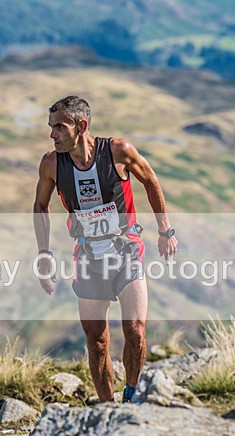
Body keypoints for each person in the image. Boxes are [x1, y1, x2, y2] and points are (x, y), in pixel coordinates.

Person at [33, 95, 178, 403]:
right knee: (97, 341)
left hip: (127, 252)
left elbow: (150, 180)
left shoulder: (118, 151)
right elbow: (40, 206)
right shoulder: (51, 164)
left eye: (59, 127)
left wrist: (165, 231)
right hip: (87, 258)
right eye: (51, 127)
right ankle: (106, 408)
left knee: (136, 330)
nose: (52, 134)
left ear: (81, 125)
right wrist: (43, 255)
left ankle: (132, 395)